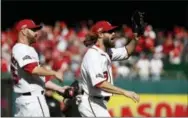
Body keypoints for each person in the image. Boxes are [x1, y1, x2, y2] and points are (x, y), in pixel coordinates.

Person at [77, 20, 141, 117]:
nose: (114, 33)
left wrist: (136, 37)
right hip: (91, 101)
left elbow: (127, 52)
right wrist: (125, 92)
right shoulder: (93, 55)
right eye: (110, 32)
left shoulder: (106, 52)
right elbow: (100, 83)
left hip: (97, 102)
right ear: (100, 34)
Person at [10, 19, 69, 117]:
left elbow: (39, 78)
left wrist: (59, 88)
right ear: (24, 31)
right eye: (33, 30)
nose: (36, 33)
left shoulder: (22, 48)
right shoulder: (21, 48)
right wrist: (54, 72)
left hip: (26, 101)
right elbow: (33, 69)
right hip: (33, 102)